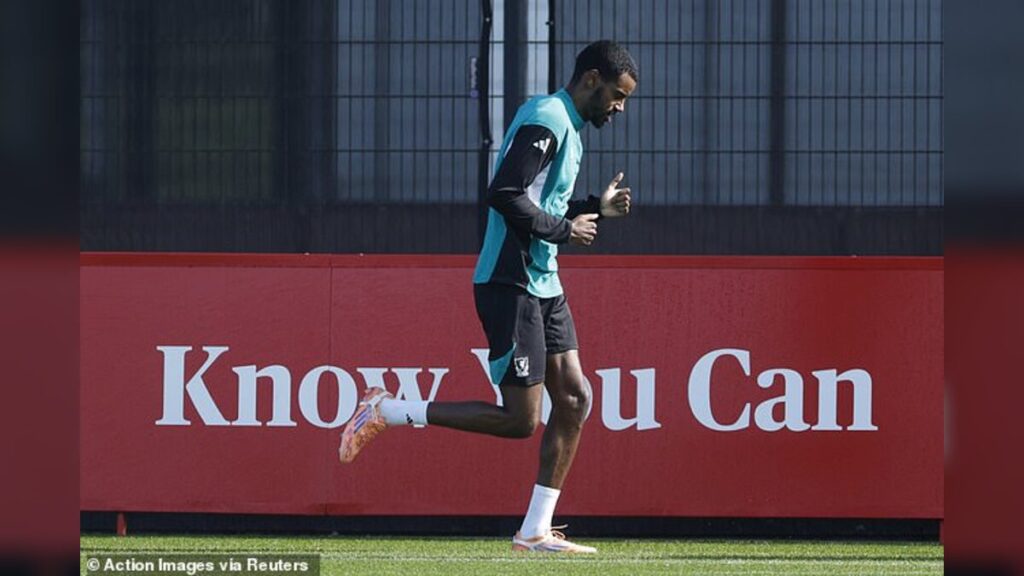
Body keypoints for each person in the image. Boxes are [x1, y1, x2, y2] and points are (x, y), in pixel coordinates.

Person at [339, 40, 638, 554]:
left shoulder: (566, 125)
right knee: (521, 421)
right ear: (592, 79)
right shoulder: (547, 117)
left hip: (544, 283)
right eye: (616, 95)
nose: (619, 108)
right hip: (510, 282)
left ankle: (535, 531)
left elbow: (542, 201)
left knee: (575, 399)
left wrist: (595, 209)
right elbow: (504, 192)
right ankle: (388, 410)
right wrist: (565, 230)